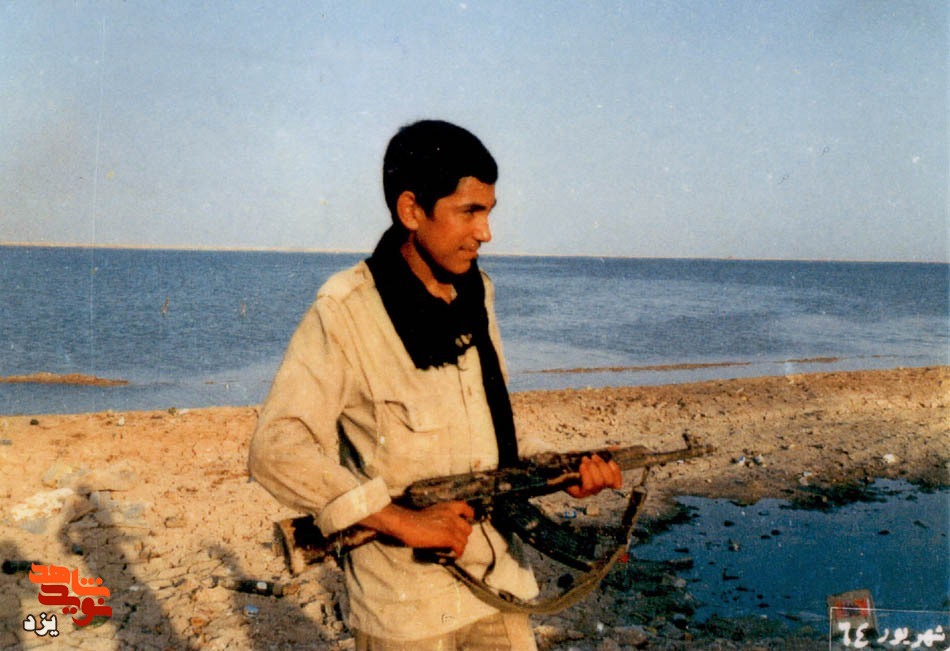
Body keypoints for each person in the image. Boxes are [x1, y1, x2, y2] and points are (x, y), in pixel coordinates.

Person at [248, 119, 621, 650]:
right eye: (469, 211)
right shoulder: (346, 309)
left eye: (489, 212)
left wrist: (559, 472)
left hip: (498, 584)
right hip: (405, 610)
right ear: (411, 210)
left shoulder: (476, 293)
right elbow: (276, 447)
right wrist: (402, 521)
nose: (486, 232)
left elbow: (490, 432)